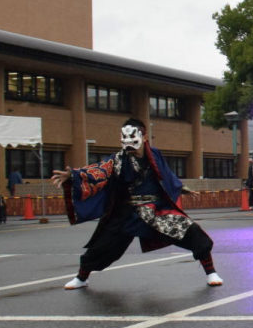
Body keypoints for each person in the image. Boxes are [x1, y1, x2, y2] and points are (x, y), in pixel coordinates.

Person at [51, 117, 222, 289]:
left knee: (191, 230)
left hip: (154, 211)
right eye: (124, 139)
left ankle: (211, 272)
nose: (129, 144)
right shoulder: (118, 159)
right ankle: (82, 278)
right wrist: (73, 176)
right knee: (102, 246)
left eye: (133, 138)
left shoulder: (155, 155)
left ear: (144, 137)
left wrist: (181, 187)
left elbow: (166, 175)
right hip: (126, 213)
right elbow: (99, 171)